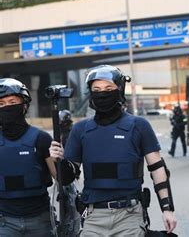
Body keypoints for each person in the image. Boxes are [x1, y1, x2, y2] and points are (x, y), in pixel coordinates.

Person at [49, 65, 177, 236]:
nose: (102, 93)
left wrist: (167, 209)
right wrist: (59, 159)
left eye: (108, 88)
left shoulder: (139, 126)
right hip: (93, 217)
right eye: (97, 89)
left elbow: (157, 169)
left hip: (129, 215)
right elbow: (67, 177)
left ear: (120, 90)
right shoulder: (80, 130)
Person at [0, 78, 56, 236]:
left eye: (12, 102)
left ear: (24, 105)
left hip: (40, 221)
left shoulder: (42, 138)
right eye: (1, 104)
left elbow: (62, 179)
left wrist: (61, 159)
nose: (7, 107)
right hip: (4, 222)